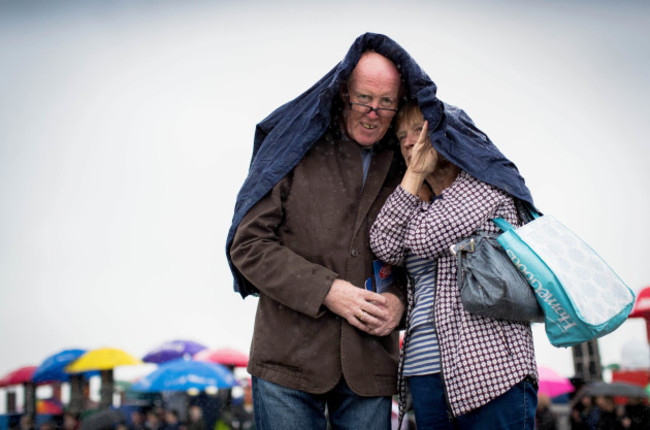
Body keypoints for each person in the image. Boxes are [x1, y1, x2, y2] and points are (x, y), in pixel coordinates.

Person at [228, 43, 407, 428]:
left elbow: (422, 255)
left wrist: (399, 302)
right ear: (344, 92)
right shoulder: (294, 148)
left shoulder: (409, 164)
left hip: (370, 366)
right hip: (287, 362)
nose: (373, 112)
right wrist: (329, 290)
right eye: (363, 98)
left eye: (386, 102)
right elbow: (249, 245)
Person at [369, 100, 539, 429]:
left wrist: (414, 172)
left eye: (419, 131)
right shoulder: (417, 205)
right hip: (425, 371)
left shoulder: (486, 189)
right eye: (402, 135)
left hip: (491, 372)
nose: (407, 142)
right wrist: (414, 181)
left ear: (450, 136)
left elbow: (422, 241)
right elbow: (383, 245)